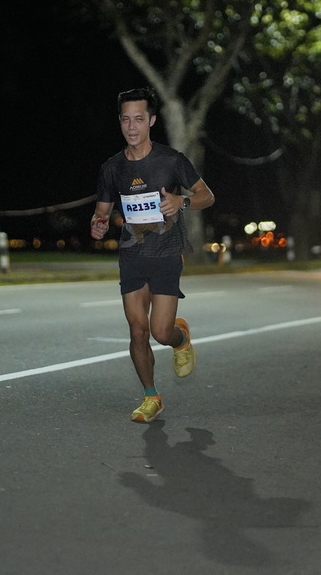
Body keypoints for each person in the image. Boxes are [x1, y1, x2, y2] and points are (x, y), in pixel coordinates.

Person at [90, 87, 215, 423]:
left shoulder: (171, 160)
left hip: (167, 253)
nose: (132, 127)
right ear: (120, 122)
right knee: (137, 330)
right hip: (132, 255)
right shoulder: (112, 168)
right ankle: (151, 397)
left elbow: (206, 196)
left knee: (160, 332)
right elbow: (102, 211)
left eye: (139, 119)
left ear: (152, 121)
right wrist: (98, 224)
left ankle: (180, 338)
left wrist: (181, 201)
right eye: (126, 120)